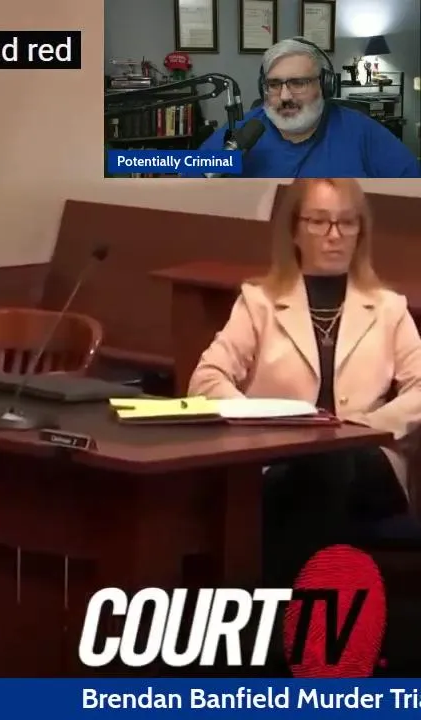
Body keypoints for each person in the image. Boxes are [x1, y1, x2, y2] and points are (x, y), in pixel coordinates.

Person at [188, 177, 421, 592]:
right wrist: (261, 422)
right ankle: (311, 606)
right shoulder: (258, 302)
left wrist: (361, 429)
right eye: (319, 221)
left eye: (347, 222)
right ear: (294, 230)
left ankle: (274, 603)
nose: (335, 235)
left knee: (329, 463)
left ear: (360, 232)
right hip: (281, 458)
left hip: (370, 463)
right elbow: (206, 380)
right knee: (311, 478)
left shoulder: (389, 308)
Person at [182, 37, 420, 178]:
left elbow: (411, 187)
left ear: (325, 85)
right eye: (274, 84)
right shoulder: (245, 132)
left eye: (298, 83)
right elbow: (188, 178)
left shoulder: (360, 131)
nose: (285, 96)